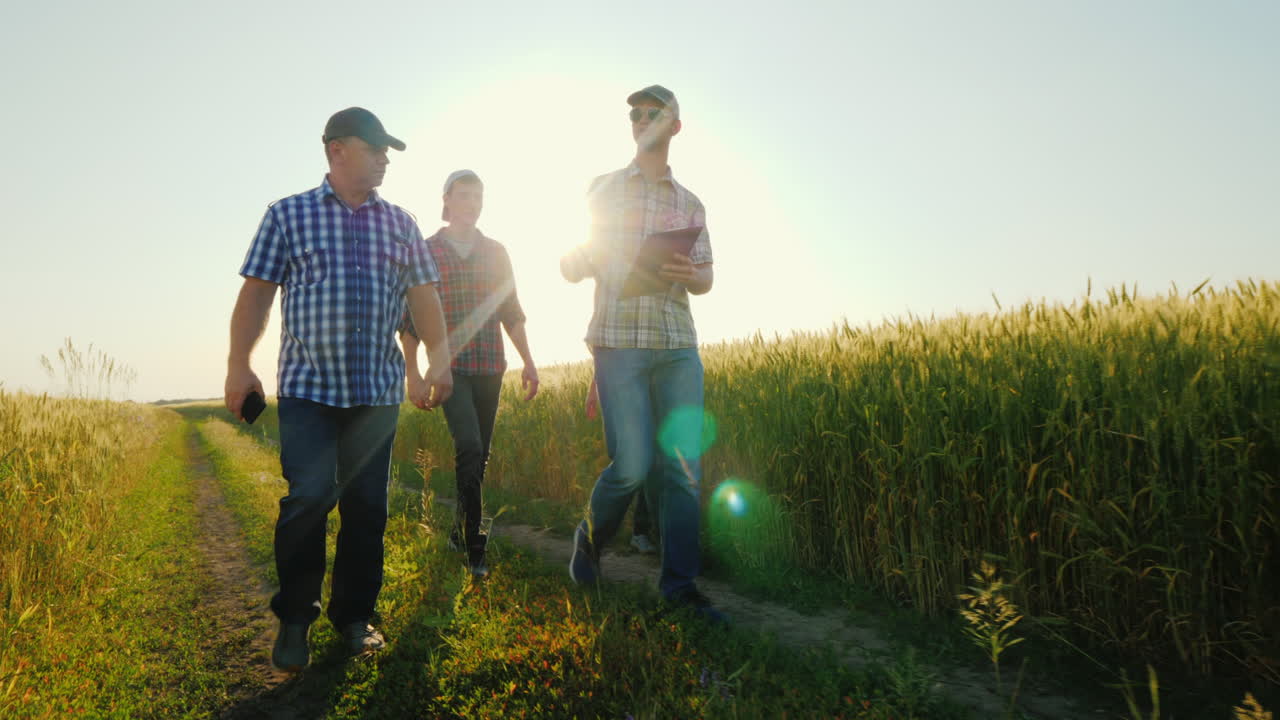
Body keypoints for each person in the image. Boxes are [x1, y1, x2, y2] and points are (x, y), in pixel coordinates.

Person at [224, 107, 453, 673]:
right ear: (336, 150)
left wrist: (438, 362)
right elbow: (256, 296)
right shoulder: (288, 215)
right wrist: (238, 366)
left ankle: (354, 617)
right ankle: (296, 616)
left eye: (387, 152)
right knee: (307, 495)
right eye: (374, 149)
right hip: (308, 390)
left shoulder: (401, 223)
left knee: (367, 508)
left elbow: (424, 297)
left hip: (375, 394)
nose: (384, 160)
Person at [559, 85, 723, 622]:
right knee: (629, 466)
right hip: (619, 342)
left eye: (655, 113)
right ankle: (590, 538)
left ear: (675, 126)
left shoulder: (691, 202)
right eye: (636, 114)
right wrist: (580, 260)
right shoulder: (603, 189)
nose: (643, 120)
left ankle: (678, 587)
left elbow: (706, 277)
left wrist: (688, 273)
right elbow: (570, 261)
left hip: (677, 344)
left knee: (681, 468)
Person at [400, 169, 539, 579]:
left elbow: (510, 310)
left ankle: (460, 532)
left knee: (480, 457)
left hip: (490, 365)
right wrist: (414, 374)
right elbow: (409, 321)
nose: (473, 203)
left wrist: (529, 360)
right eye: (464, 196)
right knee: (470, 446)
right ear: (446, 200)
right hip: (450, 370)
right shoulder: (427, 250)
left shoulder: (496, 251)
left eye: (478, 196)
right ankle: (475, 547)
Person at [586, 376, 657, 555]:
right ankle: (594, 533)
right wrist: (593, 389)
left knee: (652, 462)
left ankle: (644, 532)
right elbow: (605, 354)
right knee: (632, 463)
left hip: (653, 390)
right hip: (625, 394)